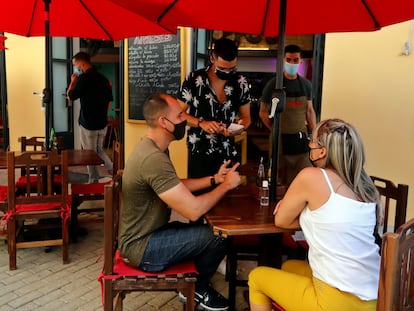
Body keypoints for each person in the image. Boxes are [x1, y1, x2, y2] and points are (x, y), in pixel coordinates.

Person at [119, 93, 241, 311]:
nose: (185, 119)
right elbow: (193, 210)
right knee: (220, 234)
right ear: (163, 122)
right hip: (143, 248)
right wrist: (227, 186)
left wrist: (215, 179)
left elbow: (175, 184)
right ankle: (197, 289)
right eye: (179, 115)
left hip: (148, 236)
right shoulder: (153, 159)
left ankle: (195, 285)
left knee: (205, 229)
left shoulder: (154, 148)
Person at [248, 118, 383, 311]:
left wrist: (296, 210)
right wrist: (315, 217)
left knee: (257, 278)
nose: (309, 143)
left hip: (335, 303)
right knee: (289, 268)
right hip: (372, 299)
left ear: (322, 151)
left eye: (312, 139)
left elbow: (281, 220)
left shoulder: (311, 177)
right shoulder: (363, 187)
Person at [179, 37, 251, 178]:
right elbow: (178, 113)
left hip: (227, 152)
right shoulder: (194, 79)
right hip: (199, 151)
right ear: (212, 59)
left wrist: (239, 128)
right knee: (199, 196)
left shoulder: (240, 82)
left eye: (232, 69)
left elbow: (246, 118)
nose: (227, 73)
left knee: (227, 197)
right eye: (222, 68)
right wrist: (201, 123)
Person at [259, 44, 317, 185]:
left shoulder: (306, 85)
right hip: (279, 142)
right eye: (289, 59)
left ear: (300, 61)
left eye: (295, 60)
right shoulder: (273, 84)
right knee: (279, 181)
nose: (292, 63)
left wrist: (315, 134)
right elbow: (263, 112)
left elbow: (309, 111)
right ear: (283, 60)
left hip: (301, 140)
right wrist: (274, 129)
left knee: (304, 180)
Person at [66, 51, 113, 183]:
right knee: (99, 150)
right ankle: (113, 169)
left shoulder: (83, 79)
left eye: (75, 64)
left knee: (89, 153)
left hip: (88, 124)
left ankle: (93, 179)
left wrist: (72, 82)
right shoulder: (104, 79)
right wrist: (103, 115)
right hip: (102, 123)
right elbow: (110, 100)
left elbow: (70, 97)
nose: (76, 67)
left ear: (82, 63)